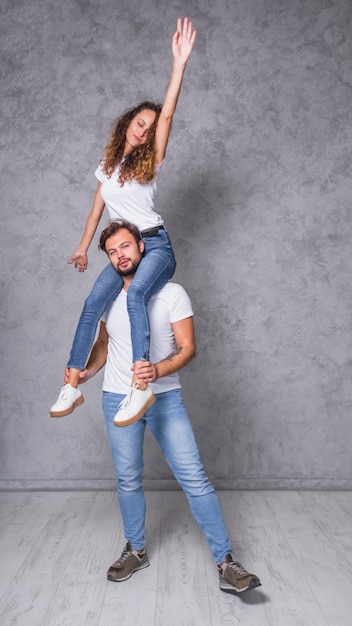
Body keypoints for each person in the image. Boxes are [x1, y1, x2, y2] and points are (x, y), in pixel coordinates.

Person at [74, 219, 261, 594]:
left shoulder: (172, 292)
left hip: (163, 397)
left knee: (194, 478)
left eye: (125, 247)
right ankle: (136, 550)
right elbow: (104, 347)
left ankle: (226, 562)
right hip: (117, 397)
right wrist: (83, 374)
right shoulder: (110, 297)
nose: (119, 256)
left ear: (142, 247)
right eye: (112, 252)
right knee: (128, 479)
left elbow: (188, 348)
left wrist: (157, 369)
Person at [50, 17, 197, 426]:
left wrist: (179, 65)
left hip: (156, 246)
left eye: (150, 129)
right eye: (141, 124)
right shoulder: (108, 166)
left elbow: (167, 117)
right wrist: (82, 246)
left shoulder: (151, 162)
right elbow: (98, 209)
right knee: (93, 303)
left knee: (134, 299)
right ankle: (73, 382)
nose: (146, 131)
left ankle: (140, 385)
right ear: (129, 123)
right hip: (126, 251)